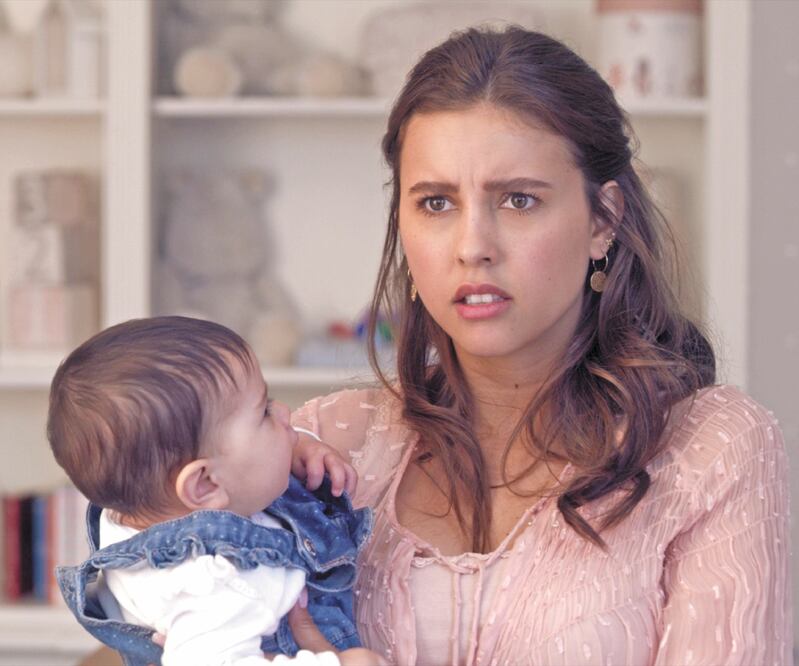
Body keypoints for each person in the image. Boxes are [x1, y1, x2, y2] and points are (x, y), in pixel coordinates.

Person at [285, 26, 793, 665]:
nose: (473, 246)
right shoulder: (323, 449)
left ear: (603, 219)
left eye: (519, 200)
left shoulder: (710, 451)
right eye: (436, 203)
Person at [47, 316, 384, 666]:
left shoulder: (144, 511)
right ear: (204, 484)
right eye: (265, 413)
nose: (285, 413)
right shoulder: (210, 583)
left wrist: (299, 446)